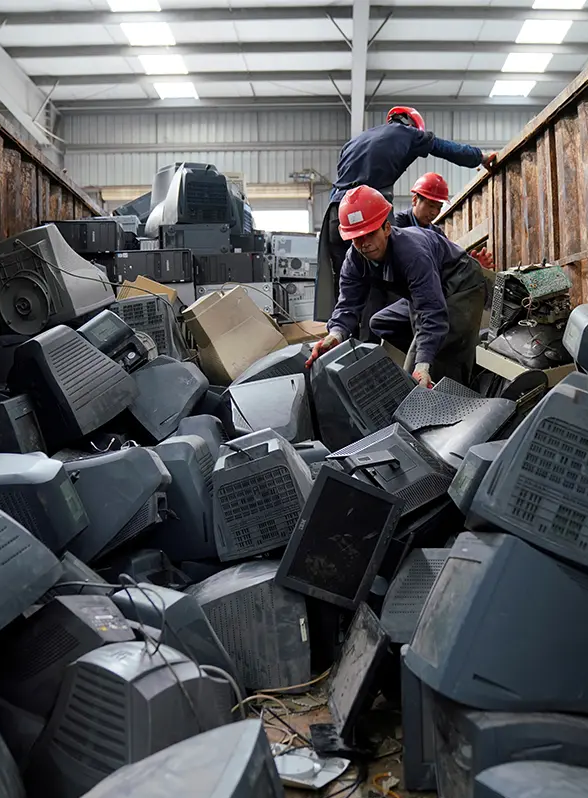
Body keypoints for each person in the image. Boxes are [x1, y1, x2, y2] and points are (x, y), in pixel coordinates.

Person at [315, 106, 497, 321]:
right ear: (412, 125)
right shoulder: (407, 134)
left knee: (347, 287)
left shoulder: (354, 142)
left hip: (338, 215)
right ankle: (383, 346)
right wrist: (481, 157)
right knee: (386, 286)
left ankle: (346, 341)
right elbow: (445, 148)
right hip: (369, 212)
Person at [307, 185, 487, 388]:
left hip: (461, 283)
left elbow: (431, 310)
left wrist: (423, 363)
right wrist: (335, 335)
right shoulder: (355, 260)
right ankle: (431, 351)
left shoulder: (412, 253)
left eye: (369, 234)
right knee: (381, 322)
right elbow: (348, 305)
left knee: (433, 360)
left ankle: (451, 381)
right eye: (356, 237)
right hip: (427, 291)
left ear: (386, 228)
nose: (363, 243)